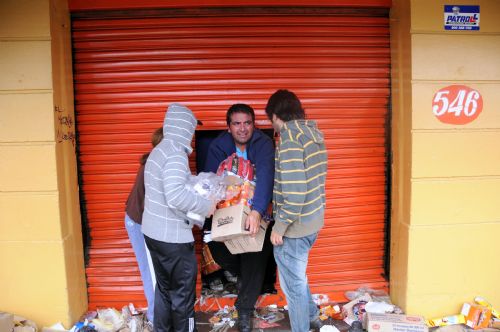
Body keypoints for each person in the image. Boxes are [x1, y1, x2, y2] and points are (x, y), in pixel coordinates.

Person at [142, 103, 214, 332]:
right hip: (172, 239)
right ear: (184, 128)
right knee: (183, 296)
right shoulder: (175, 153)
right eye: (191, 130)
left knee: (164, 291)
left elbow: (167, 192)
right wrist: (205, 206)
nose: (192, 136)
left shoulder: (160, 150)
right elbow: (175, 196)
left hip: (153, 233)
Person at [203, 103, 275, 332]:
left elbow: (265, 176)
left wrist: (256, 211)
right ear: (228, 127)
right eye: (237, 123)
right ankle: (246, 278)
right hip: (227, 211)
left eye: (247, 123)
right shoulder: (218, 146)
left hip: (258, 209)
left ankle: (244, 309)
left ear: (254, 125)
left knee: (256, 250)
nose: (242, 128)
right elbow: (210, 180)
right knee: (216, 245)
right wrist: (210, 204)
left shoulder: (263, 144)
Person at [265, 90, 328, 332]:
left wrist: (279, 227)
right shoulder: (312, 134)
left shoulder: (290, 139)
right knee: (298, 277)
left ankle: (301, 327)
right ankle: (312, 315)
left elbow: (295, 192)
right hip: (313, 221)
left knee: (293, 285)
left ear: (275, 115)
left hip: (295, 227)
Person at [124, 127, 163, 323]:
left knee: (157, 272)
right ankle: (157, 321)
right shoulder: (154, 166)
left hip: (143, 220)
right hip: (140, 223)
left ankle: (160, 316)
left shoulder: (156, 162)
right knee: (152, 273)